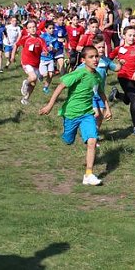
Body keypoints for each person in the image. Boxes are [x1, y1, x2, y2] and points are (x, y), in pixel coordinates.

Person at [40, 46, 111, 186]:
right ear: (83, 60)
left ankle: (89, 174)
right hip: (71, 113)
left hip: (87, 114)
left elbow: (101, 92)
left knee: (92, 140)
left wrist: (107, 109)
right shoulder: (79, 73)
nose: (95, 59)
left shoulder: (96, 75)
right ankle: (67, 134)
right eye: (91, 57)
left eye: (96, 56)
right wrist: (49, 105)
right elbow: (61, 86)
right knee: (68, 140)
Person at [110, 26, 135, 137]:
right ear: (124, 36)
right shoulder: (118, 49)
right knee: (134, 99)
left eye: (134, 35)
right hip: (124, 77)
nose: (132, 38)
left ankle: (117, 94)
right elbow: (108, 59)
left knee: (128, 100)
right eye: (129, 35)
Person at [17, 20, 48, 105]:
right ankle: (25, 83)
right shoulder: (25, 39)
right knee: (33, 77)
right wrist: (13, 55)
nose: (32, 29)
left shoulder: (40, 39)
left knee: (33, 83)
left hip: (36, 63)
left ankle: (25, 99)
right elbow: (17, 45)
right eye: (30, 27)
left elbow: (45, 48)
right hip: (26, 62)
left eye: (34, 27)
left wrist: (46, 52)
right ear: (27, 30)